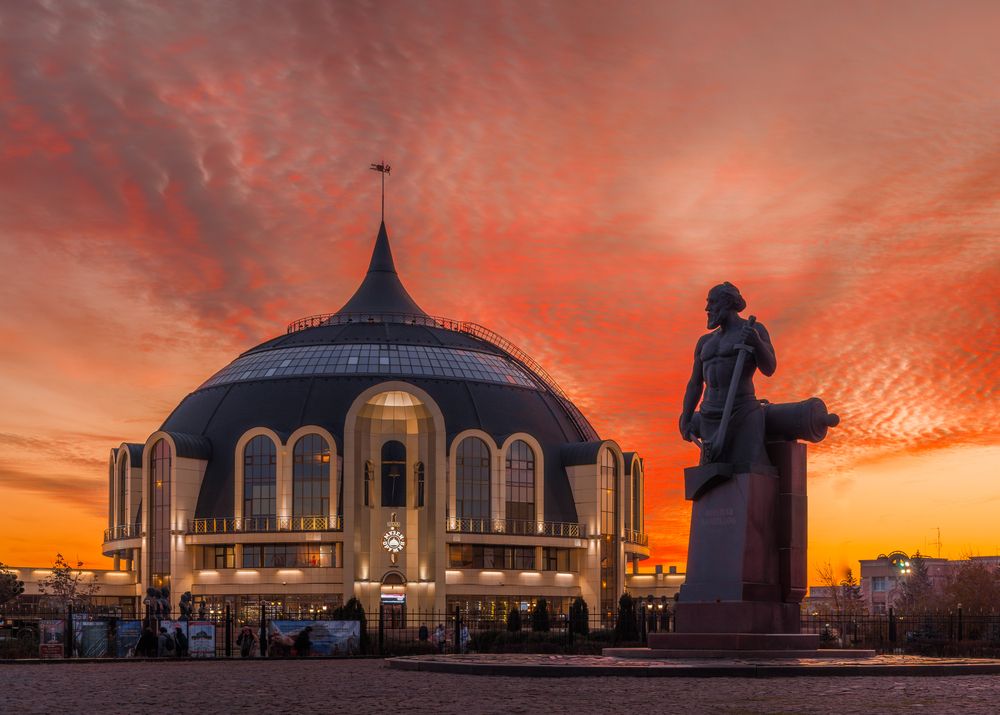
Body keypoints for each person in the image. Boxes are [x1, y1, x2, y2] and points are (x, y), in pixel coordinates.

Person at [679, 282, 776, 466]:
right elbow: (695, 384)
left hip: (741, 411)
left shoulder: (754, 330)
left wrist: (756, 342)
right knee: (711, 478)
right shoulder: (705, 342)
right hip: (710, 415)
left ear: (728, 303)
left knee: (748, 471)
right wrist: (686, 416)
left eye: (712, 302)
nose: (708, 308)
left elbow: (769, 368)